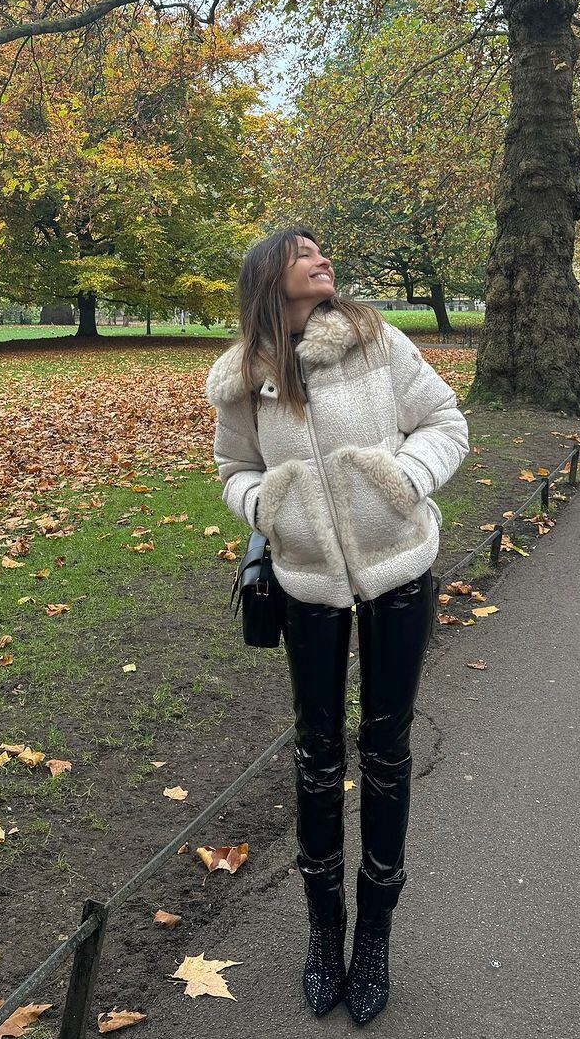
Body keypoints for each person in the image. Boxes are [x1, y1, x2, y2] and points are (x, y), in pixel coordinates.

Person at [206, 228, 468, 1025]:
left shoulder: (374, 340)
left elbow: (445, 422)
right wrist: (269, 510)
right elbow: (232, 471)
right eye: (304, 253)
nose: (323, 260)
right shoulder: (245, 379)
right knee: (317, 754)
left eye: (323, 252)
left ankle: (375, 940)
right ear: (268, 278)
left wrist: (403, 483)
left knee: (386, 750)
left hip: (398, 571)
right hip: (306, 583)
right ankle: (324, 938)